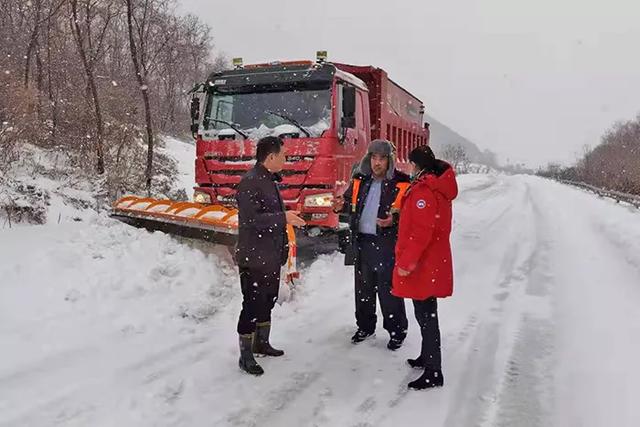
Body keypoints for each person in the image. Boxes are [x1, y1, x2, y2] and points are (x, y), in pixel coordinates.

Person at [235, 136, 306, 376]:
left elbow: (271, 214)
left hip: (269, 256)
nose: (286, 159)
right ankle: (245, 356)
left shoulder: (269, 180)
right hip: (253, 257)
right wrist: (284, 218)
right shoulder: (250, 182)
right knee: (252, 304)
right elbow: (252, 220)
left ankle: (261, 343)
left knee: (268, 299)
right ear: (271, 157)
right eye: (283, 155)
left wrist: (286, 215)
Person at [332, 139, 410, 350]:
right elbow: (351, 204)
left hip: (386, 244)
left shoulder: (401, 182)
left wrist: (393, 220)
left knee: (388, 291)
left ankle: (396, 332)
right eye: (374, 158)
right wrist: (341, 206)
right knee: (363, 289)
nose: (377, 163)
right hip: (362, 242)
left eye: (382, 158)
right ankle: (365, 327)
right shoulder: (360, 179)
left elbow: (409, 214)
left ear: (390, 160)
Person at [392, 145, 458, 390]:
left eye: (411, 163)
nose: (408, 168)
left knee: (427, 315)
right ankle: (426, 356)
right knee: (425, 313)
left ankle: (433, 371)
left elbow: (421, 232)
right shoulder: (434, 186)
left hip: (424, 263)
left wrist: (407, 263)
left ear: (418, 166)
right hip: (431, 261)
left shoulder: (424, 191)